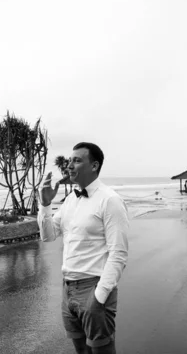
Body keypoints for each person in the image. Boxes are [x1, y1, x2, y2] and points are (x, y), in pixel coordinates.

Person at [38, 142, 129, 354]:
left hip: (94, 287)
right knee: (81, 350)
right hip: (68, 288)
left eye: (77, 160)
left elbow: (119, 254)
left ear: (94, 166)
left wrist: (100, 296)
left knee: (102, 350)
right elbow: (47, 236)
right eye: (70, 161)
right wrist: (45, 204)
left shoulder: (110, 200)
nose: (69, 165)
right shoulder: (71, 199)